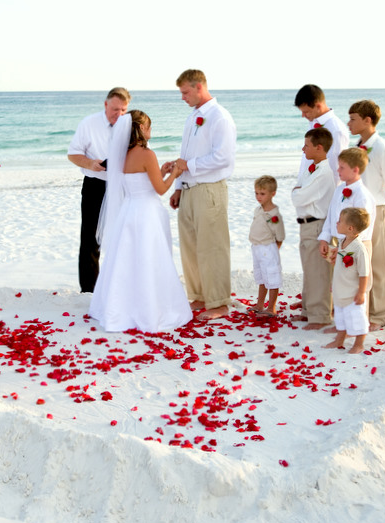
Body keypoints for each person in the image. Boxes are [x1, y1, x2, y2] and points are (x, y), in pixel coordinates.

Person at [89, 111, 192, 332]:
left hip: (129, 211)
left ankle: (120, 305)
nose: (150, 130)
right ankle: (150, 307)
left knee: (127, 260)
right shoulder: (147, 154)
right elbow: (161, 189)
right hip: (147, 213)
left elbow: (142, 181)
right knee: (149, 259)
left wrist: (162, 171)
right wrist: (175, 172)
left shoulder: (121, 154)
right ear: (141, 128)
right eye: (149, 126)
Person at [167, 69, 237, 320]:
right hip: (188, 190)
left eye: (185, 92)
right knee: (191, 248)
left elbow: (223, 157)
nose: (182, 97)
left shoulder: (220, 117)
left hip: (209, 190)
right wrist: (178, 186)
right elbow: (186, 156)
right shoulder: (192, 117)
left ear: (199, 87)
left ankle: (219, 302)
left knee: (213, 247)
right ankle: (199, 296)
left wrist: (189, 167)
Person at [68, 87, 131, 293]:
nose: (119, 114)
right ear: (105, 105)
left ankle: (121, 287)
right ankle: (89, 290)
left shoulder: (130, 124)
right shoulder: (89, 123)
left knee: (123, 236)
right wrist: (90, 164)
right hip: (95, 184)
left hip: (122, 186)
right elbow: (73, 154)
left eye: (123, 110)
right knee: (90, 240)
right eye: (115, 109)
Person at [347, 99, 385, 331]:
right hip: (358, 210)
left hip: (377, 209)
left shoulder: (381, 148)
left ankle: (380, 314)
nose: (349, 123)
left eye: (353, 119)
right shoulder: (358, 146)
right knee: (362, 262)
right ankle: (365, 309)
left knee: (379, 263)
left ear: (367, 121)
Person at [291, 127, 337, 330]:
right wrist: (298, 192)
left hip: (316, 224)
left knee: (318, 272)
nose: (303, 149)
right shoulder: (312, 169)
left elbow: (298, 197)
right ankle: (309, 311)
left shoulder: (324, 173)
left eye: (307, 145)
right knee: (309, 270)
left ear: (319, 148)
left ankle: (320, 317)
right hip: (307, 225)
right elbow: (298, 194)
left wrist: (298, 192)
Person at [324, 207, 372, 354]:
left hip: (352, 291)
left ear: (350, 228)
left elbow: (364, 273)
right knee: (340, 316)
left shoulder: (359, 249)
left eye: (339, 221)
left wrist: (362, 292)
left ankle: (359, 343)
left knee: (357, 317)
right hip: (340, 288)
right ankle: (340, 339)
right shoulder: (341, 241)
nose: (336, 223)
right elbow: (340, 263)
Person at [294, 84, 349, 185]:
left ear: (318, 106)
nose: (303, 116)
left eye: (306, 112)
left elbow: (335, 168)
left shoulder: (336, 130)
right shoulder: (313, 122)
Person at [248, 175, 285, 317]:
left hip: (268, 248)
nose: (258, 196)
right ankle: (260, 304)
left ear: (272, 194)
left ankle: (272, 307)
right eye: (256, 193)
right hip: (256, 247)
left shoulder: (274, 215)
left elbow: (280, 236)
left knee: (272, 277)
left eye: (262, 194)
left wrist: (273, 251)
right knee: (262, 277)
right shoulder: (258, 210)